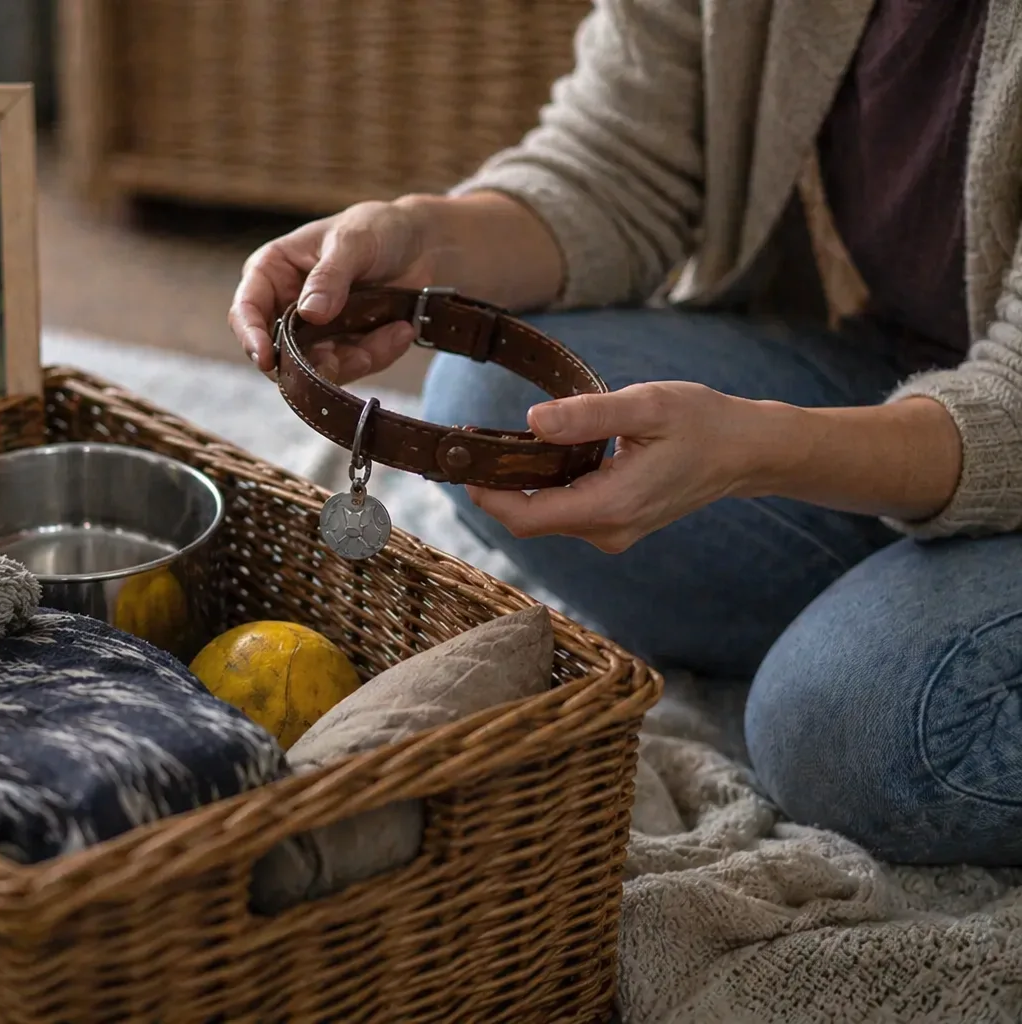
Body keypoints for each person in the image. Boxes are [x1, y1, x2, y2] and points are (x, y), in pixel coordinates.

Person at [228, 0, 1022, 867]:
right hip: (904, 371)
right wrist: (423, 238)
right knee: (492, 400)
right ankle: (901, 604)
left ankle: (894, 637)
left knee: (840, 729)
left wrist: (760, 452)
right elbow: (616, 165)